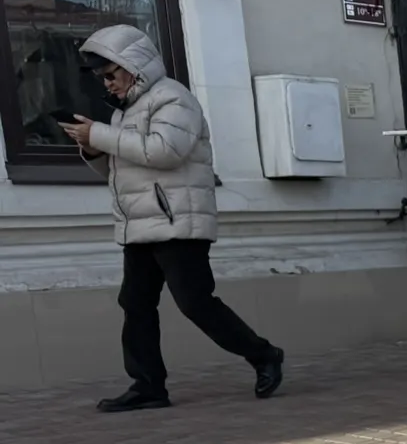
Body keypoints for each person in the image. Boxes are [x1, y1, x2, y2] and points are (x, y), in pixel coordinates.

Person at [59, 26, 283, 412]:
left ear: (134, 67)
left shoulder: (174, 99)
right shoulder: (123, 113)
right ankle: (147, 386)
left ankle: (263, 355)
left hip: (179, 220)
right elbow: (120, 173)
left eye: (110, 73)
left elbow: (165, 152)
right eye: (101, 77)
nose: (106, 82)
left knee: (195, 303)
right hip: (141, 225)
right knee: (135, 303)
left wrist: (99, 135)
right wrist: (92, 148)